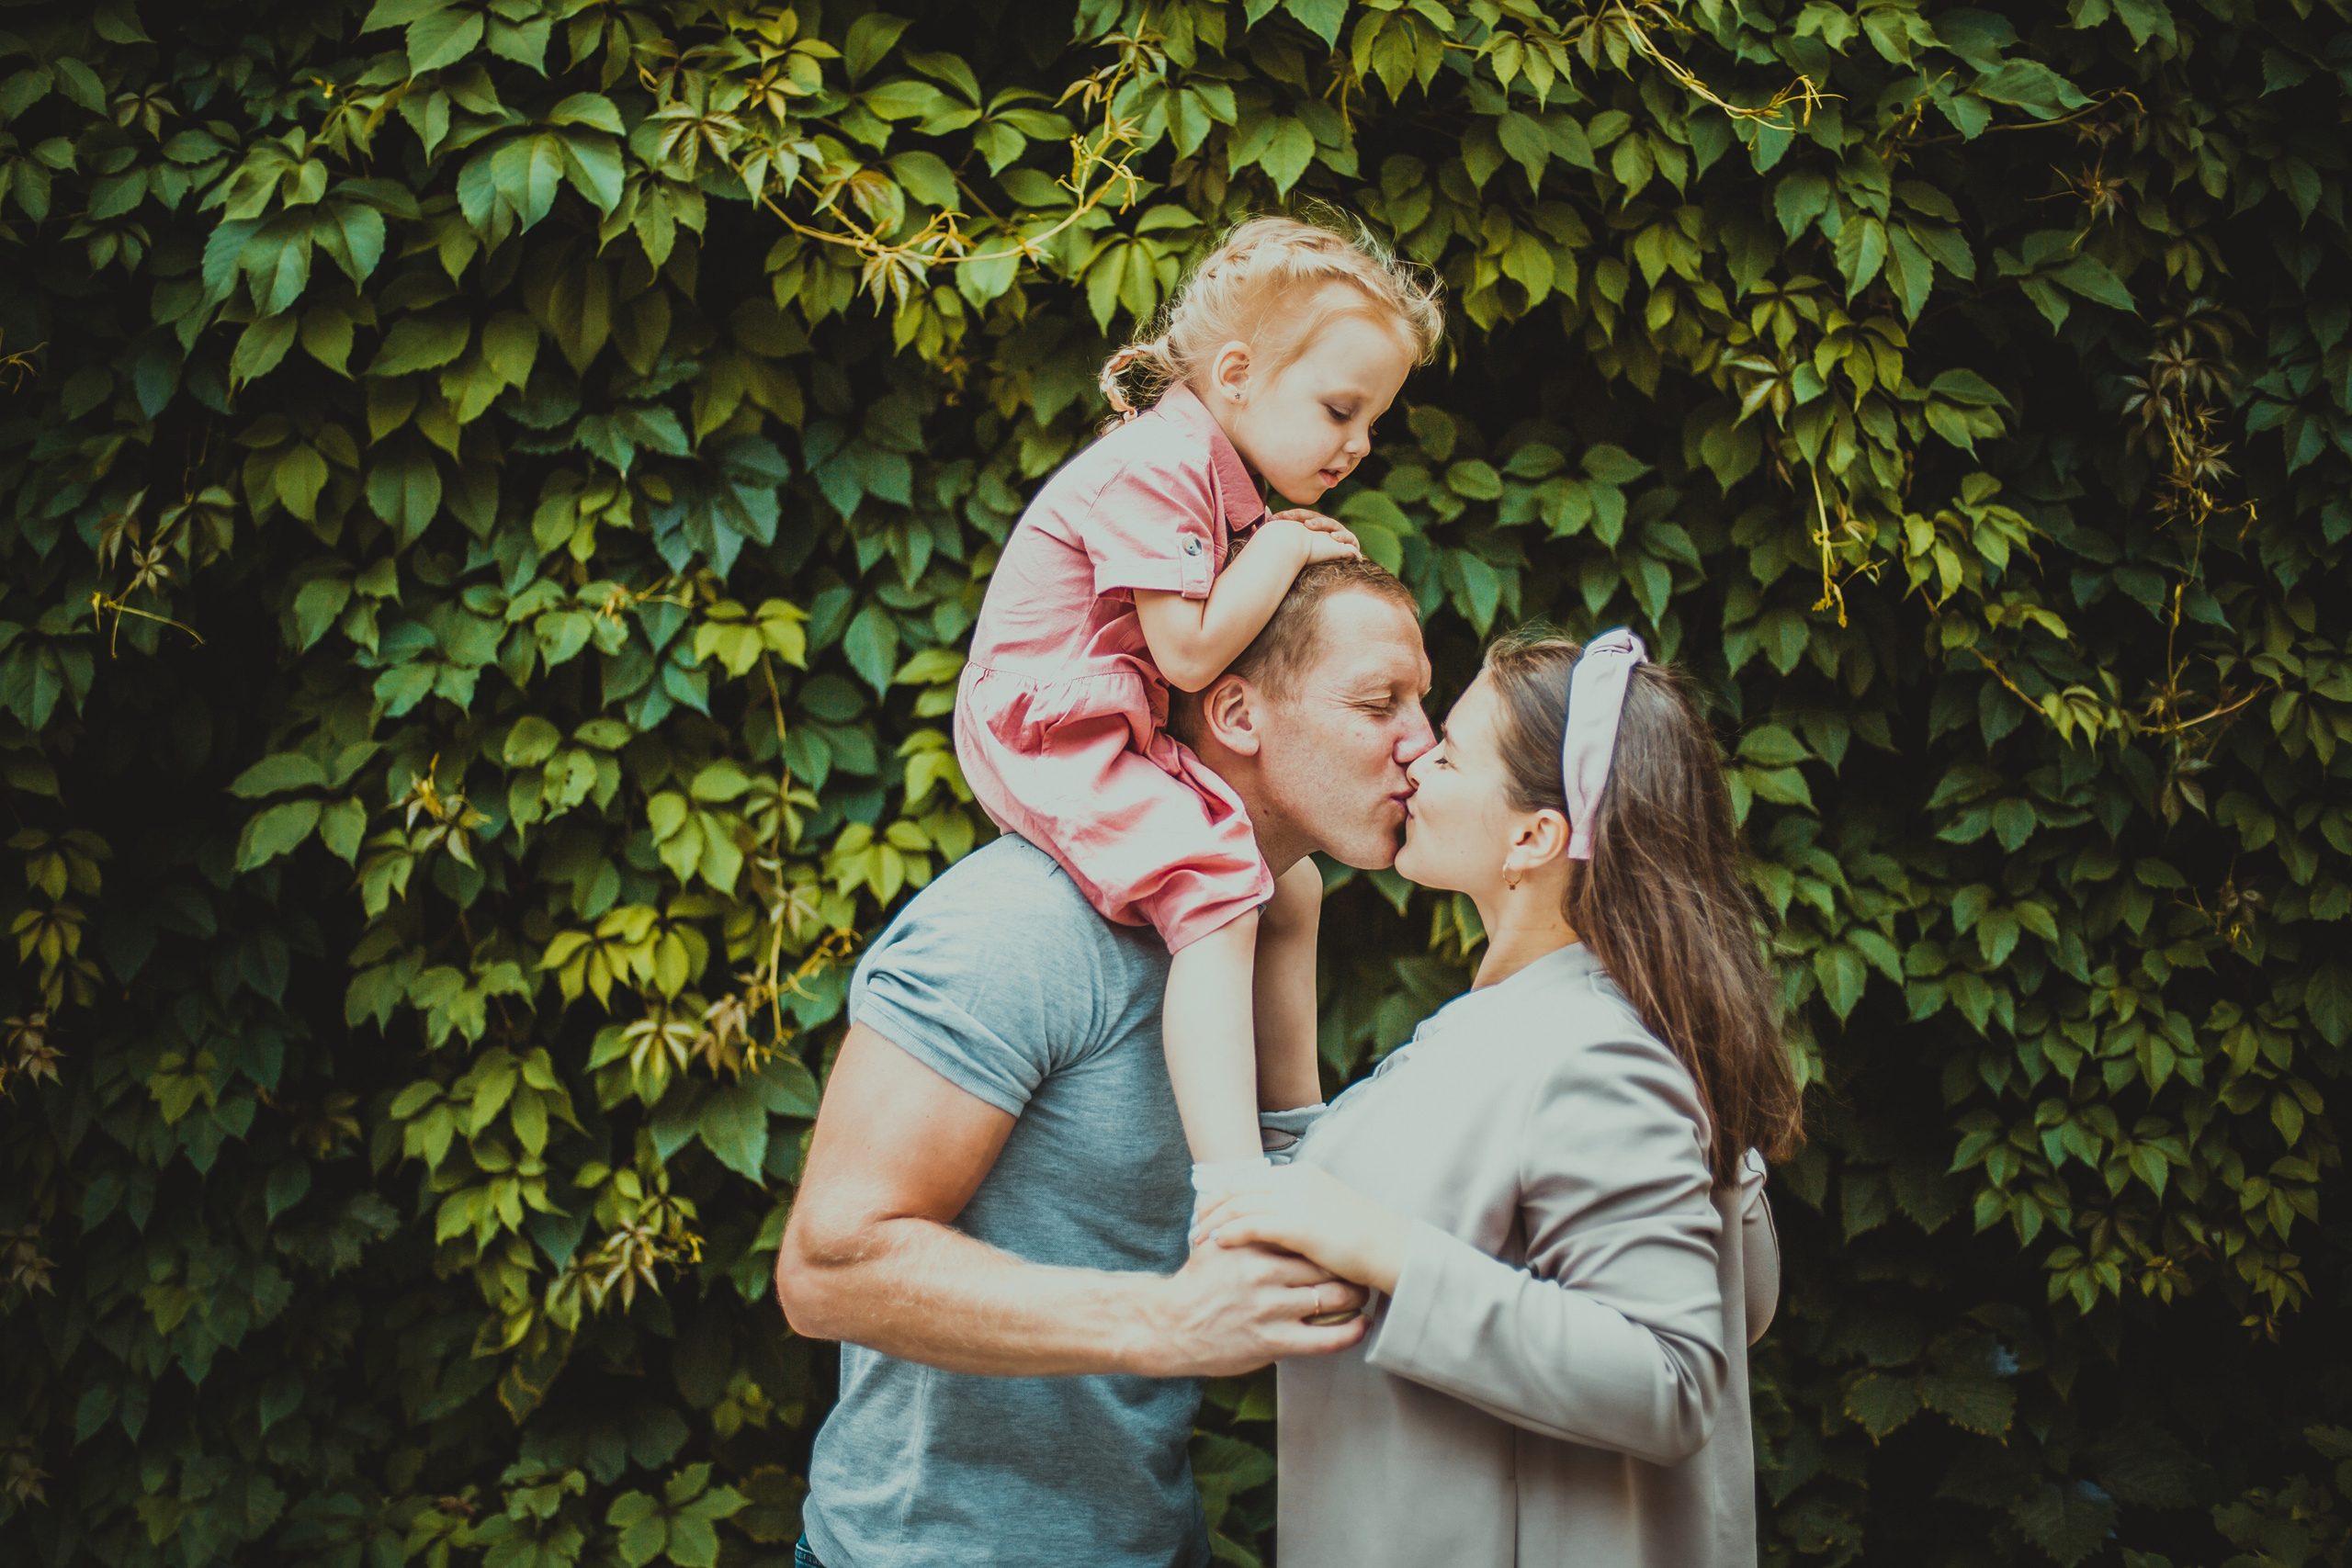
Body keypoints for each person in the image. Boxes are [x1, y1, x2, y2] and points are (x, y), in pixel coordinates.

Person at [775, 559, 1437, 1568]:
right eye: (1379, 702)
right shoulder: (1019, 923)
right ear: (1237, 712)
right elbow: (827, 1269)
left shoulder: (1266, 920)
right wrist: (1167, 1322)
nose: (1421, 745)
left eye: (1423, 705)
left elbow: (1285, 1221)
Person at [1194, 627, 1804, 1568]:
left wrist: (1382, 1247)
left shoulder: (1599, 1056)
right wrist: (1287, 935)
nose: (1412, 756)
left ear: (1534, 835)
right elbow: (1328, 1210)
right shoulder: (1522, 1022)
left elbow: (1673, 1379)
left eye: (1446, 752)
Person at [953, 214, 1442, 1208]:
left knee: (1288, 885)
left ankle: (1298, 1130)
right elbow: (1184, 653)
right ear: (1235, 376)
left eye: (1370, 425)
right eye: (1339, 410)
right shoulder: (1160, 463)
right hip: (1052, 728)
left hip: (1113, 720)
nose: (1354, 444)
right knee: (1221, 891)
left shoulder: (1208, 470)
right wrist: (1280, 550)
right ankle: (1232, 1187)